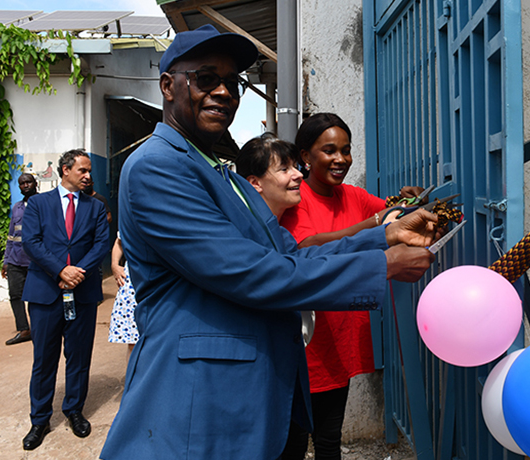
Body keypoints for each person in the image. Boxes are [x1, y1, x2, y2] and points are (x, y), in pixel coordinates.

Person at [99, 25, 437, 460]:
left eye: (232, 82)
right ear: (168, 86)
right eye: (206, 78)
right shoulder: (157, 168)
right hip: (199, 404)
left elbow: (289, 255)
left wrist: (383, 236)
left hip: (248, 391)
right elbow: (250, 273)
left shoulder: (221, 173)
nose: (223, 92)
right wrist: (383, 265)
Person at [281, 113, 418, 459]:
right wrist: (375, 225)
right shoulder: (294, 200)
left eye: (346, 150)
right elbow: (306, 248)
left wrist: (407, 202)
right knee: (292, 443)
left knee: (330, 439)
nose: (341, 159)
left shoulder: (354, 196)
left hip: (338, 339)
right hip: (303, 343)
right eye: (329, 150)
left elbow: (390, 213)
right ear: (305, 156)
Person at [20, 149, 110, 450]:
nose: (87, 175)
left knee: (79, 356)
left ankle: (74, 410)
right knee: (44, 359)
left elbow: (101, 243)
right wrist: (60, 270)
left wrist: (77, 272)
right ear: (65, 170)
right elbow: (31, 242)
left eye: (89, 171)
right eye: (82, 170)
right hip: (46, 293)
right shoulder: (38, 204)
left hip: (81, 293)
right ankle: (40, 419)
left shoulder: (95, 207)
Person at [1, 173, 38, 345]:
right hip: (16, 260)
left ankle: (40, 328)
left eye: (28, 182)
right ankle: (24, 330)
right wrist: (6, 260)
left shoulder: (43, 203)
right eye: (22, 183)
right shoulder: (17, 207)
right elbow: (11, 236)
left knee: (36, 297)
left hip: (36, 260)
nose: (25, 185)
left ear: (35, 183)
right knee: (15, 295)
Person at [108, 233, 138, 362]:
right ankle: (133, 380)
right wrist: (115, 265)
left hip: (161, 280)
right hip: (133, 283)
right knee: (133, 341)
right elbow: (119, 242)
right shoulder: (134, 214)